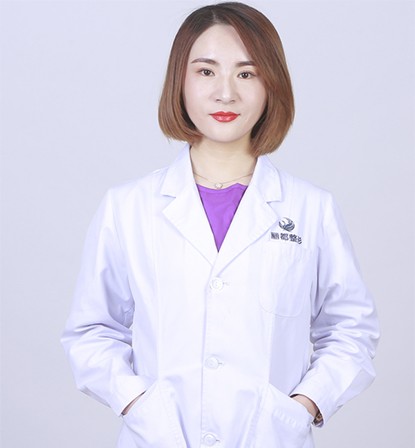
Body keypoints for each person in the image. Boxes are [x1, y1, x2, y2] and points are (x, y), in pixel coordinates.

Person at [61, 2, 379, 447]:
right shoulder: (128, 207)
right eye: (206, 71)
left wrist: (302, 406)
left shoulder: (311, 209)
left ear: (271, 85)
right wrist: (137, 404)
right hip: (159, 438)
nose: (225, 93)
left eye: (246, 73)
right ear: (180, 81)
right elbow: (92, 331)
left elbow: (351, 330)